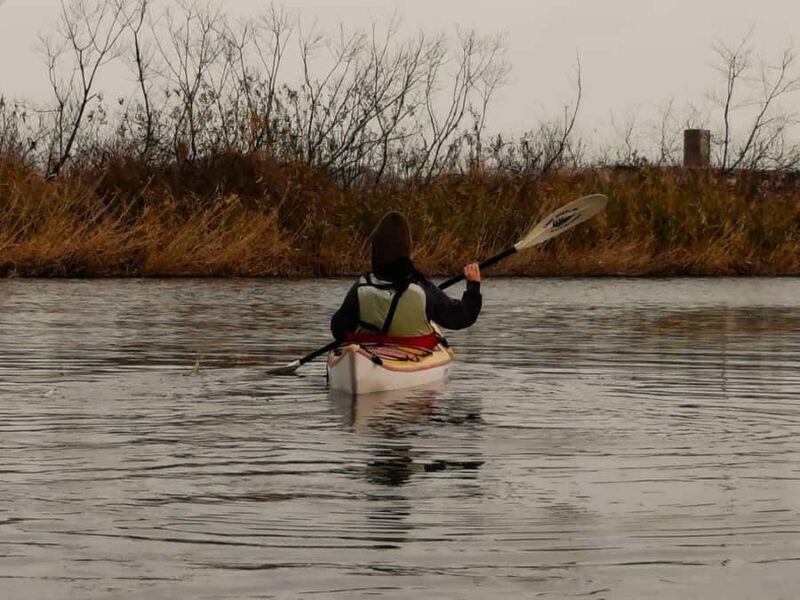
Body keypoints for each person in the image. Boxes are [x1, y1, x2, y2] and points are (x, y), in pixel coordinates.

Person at [330, 211, 482, 348]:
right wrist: (473, 285)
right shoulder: (422, 289)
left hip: (367, 353)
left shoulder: (362, 286)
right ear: (406, 249)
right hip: (413, 352)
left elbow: (338, 329)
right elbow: (462, 316)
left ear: (376, 250)